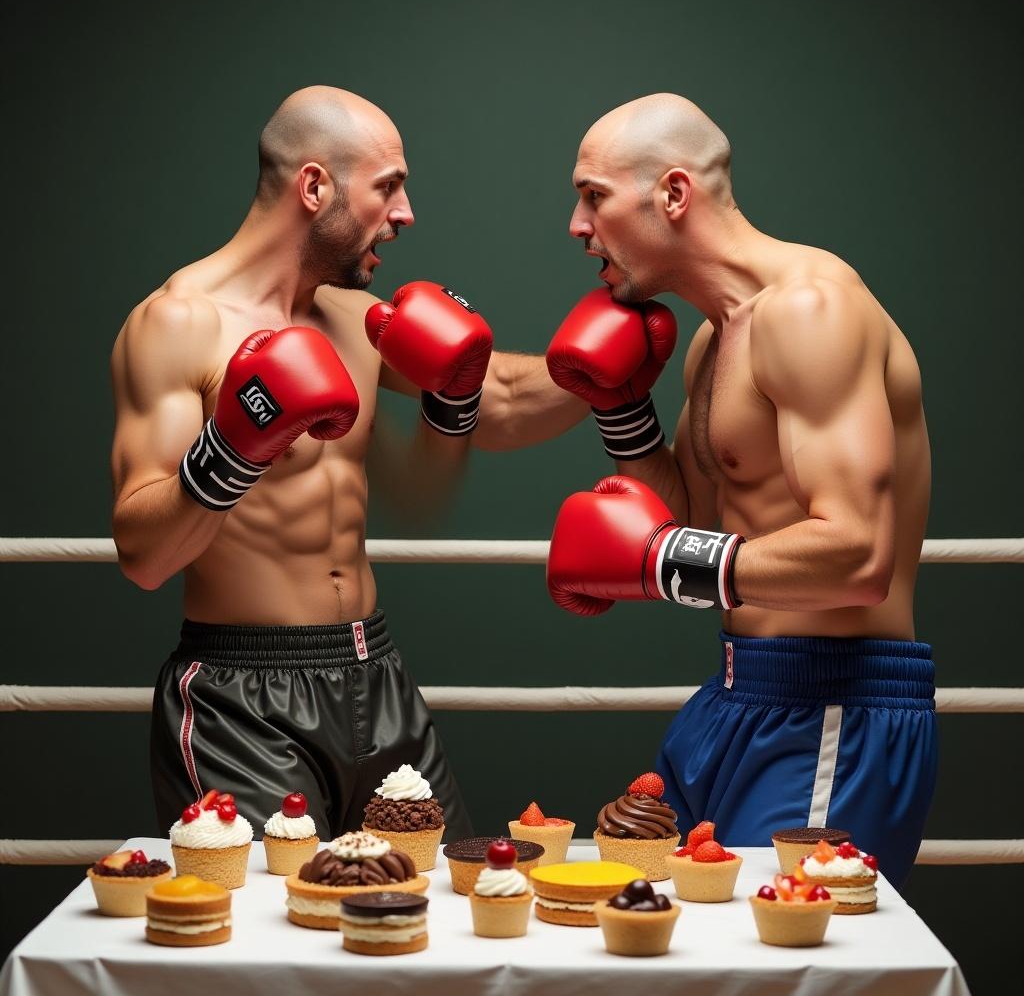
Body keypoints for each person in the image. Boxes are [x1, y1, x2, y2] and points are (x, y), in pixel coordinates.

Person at [485, 93, 935, 889]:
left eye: (594, 196)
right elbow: (692, 522)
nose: (576, 226)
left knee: (781, 954)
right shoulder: (713, 340)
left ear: (673, 194)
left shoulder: (811, 310)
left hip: (836, 708)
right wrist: (622, 411)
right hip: (736, 693)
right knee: (660, 927)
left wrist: (658, 561)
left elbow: (859, 552)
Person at [110, 86, 489, 840]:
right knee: (269, 939)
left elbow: (506, 392)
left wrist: (622, 377)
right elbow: (143, 556)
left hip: (375, 673)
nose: (406, 212)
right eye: (388, 187)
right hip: (241, 698)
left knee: (442, 916)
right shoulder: (180, 323)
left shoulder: (354, 319)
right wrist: (234, 446)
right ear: (314, 187)